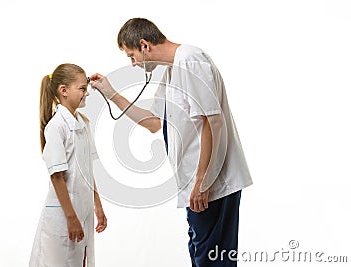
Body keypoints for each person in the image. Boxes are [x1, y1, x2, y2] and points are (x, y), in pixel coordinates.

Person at [90, 18, 252, 266]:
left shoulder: (190, 60)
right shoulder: (170, 71)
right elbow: (153, 123)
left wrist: (202, 181)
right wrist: (111, 93)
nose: (132, 64)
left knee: (211, 259)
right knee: (201, 254)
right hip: (197, 186)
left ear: (144, 45)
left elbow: (213, 122)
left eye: (131, 55)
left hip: (213, 185)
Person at [30, 63, 107, 267]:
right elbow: (56, 176)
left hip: (82, 210)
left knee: (80, 260)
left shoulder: (83, 123)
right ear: (63, 91)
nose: (87, 93)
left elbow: (87, 169)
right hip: (64, 215)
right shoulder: (56, 127)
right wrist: (71, 218)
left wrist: (97, 206)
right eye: (82, 88)